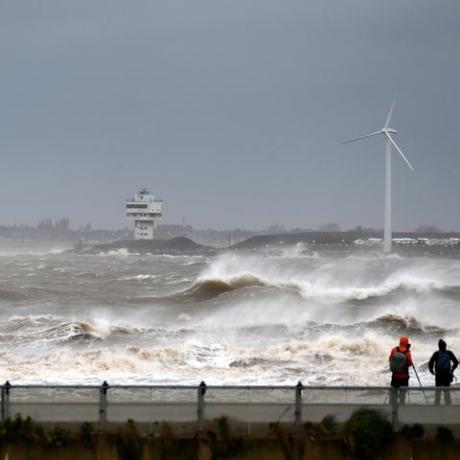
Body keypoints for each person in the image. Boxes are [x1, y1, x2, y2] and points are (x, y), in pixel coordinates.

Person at [428, 339, 458, 406]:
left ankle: (437, 406)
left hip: (438, 375)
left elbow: (430, 363)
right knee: (447, 392)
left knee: (438, 392)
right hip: (447, 374)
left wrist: (432, 371)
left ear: (439, 346)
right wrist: (452, 370)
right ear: (445, 346)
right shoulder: (449, 353)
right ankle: (448, 406)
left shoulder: (436, 353)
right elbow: (456, 362)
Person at [389, 336, 413, 405]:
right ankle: (401, 407)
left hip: (395, 376)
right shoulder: (407, 353)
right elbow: (410, 364)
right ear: (407, 343)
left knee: (393, 393)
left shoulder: (394, 350)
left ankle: (392, 407)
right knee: (402, 395)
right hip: (404, 377)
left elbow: (390, 360)